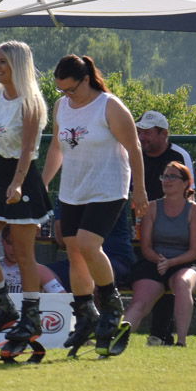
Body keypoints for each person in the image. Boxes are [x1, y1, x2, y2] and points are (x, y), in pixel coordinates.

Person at [43, 54, 147, 356]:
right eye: (61, 90)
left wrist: (140, 189)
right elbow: (56, 147)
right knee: (74, 250)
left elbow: (134, 147)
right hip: (73, 189)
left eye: (71, 89)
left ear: (86, 79)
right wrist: (43, 182)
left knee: (88, 244)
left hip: (108, 188)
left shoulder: (109, 106)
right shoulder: (61, 106)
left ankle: (112, 306)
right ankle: (86, 314)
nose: (66, 95)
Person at [0, 41, 53, 355]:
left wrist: (17, 184)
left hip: (22, 179)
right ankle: (2, 307)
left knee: (24, 253)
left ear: (18, 64)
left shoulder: (31, 103)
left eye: (2, 61)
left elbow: (28, 150)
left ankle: (31, 316)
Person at [122, 162, 196, 347]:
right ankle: (117, 337)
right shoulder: (151, 207)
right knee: (139, 302)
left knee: (182, 283)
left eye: (172, 177)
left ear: (186, 183)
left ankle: (181, 342)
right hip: (154, 263)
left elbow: (195, 251)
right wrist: (160, 260)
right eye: (165, 176)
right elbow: (145, 247)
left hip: (187, 263)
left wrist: (171, 262)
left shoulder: (195, 211)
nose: (167, 180)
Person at [0, 225, 67, 296]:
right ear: (2, 242)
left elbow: (62, 297)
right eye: (10, 243)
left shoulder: (38, 270)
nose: (15, 249)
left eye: (19, 244)